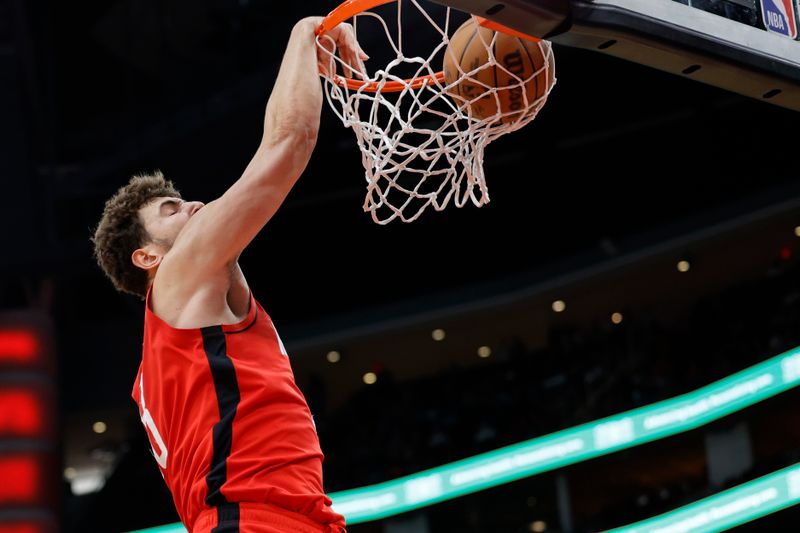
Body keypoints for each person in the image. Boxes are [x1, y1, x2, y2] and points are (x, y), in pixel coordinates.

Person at [92, 16, 367, 533]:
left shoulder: (176, 337)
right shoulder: (177, 277)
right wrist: (307, 31)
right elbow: (288, 143)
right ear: (148, 257)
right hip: (253, 521)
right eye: (172, 211)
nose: (194, 205)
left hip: (275, 516)